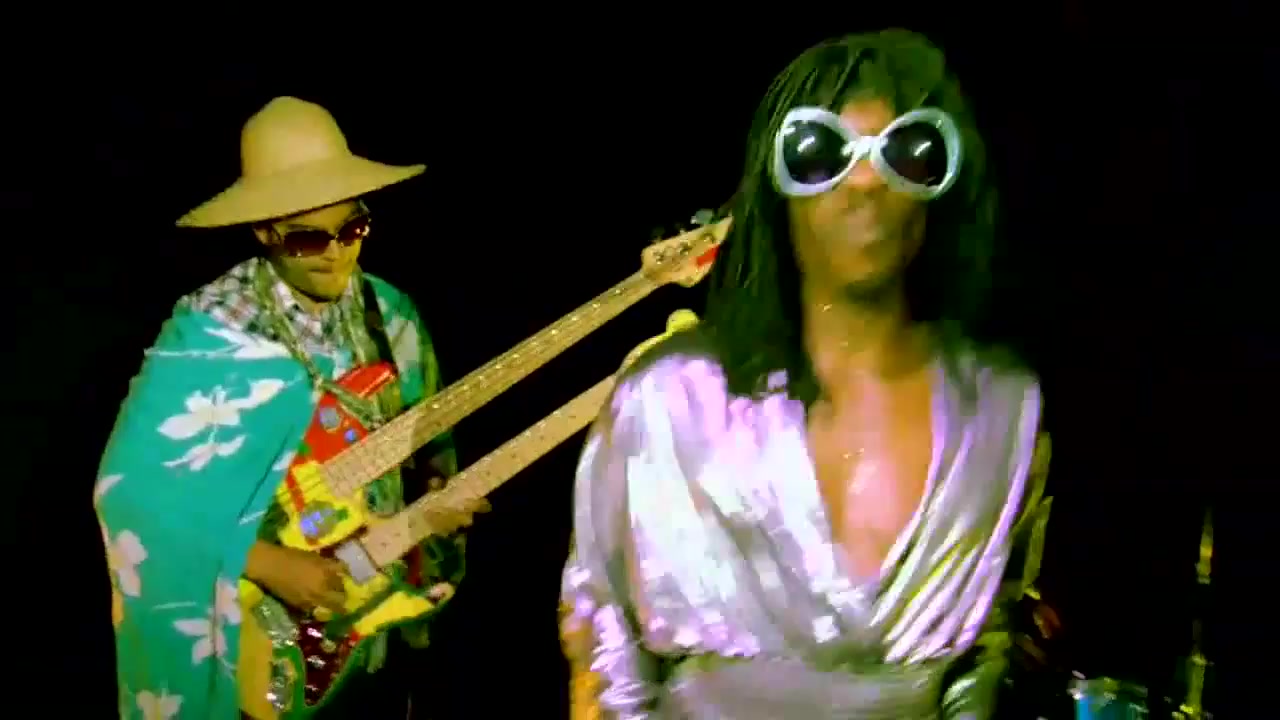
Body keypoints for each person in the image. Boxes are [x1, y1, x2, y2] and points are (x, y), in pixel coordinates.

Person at [561, 30, 1052, 718]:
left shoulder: (1001, 411)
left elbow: (983, 651)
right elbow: (605, 642)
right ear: (773, 189)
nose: (867, 181)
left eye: (910, 151)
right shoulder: (669, 399)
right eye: (819, 153)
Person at [96, 96, 478, 719]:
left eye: (352, 229)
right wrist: (266, 563)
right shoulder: (213, 330)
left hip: (374, 626)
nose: (335, 253)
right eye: (307, 237)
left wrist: (440, 503)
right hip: (255, 639)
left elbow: (430, 452)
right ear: (264, 232)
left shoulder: (393, 316)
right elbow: (132, 497)